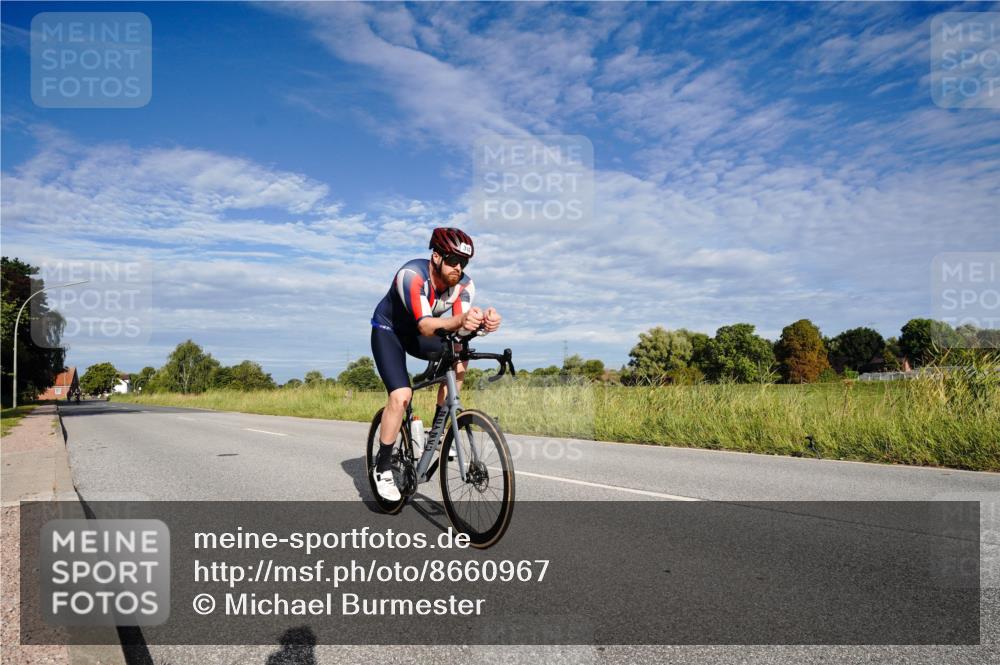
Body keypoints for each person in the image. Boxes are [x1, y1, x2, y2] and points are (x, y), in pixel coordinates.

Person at [369, 227, 502, 500]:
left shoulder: (465, 286)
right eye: (453, 260)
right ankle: (382, 468)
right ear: (436, 257)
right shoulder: (412, 276)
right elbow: (427, 325)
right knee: (401, 395)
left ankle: (439, 431)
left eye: (463, 263)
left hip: (423, 335)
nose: (458, 268)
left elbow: (459, 330)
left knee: (461, 352)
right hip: (390, 332)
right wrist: (461, 322)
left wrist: (482, 325)